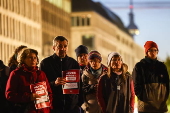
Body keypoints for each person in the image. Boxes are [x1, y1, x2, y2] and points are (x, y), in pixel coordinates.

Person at [40, 36, 81, 113]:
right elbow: (41, 86)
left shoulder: (73, 63)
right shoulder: (45, 63)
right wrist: (54, 83)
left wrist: (78, 103)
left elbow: (80, 85)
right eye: (59, 46)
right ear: (53, 48)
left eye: (65, 46)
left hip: (72, 108)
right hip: (54, 107)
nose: (62, 49)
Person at [5, 48, 52, 113]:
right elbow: (9, 94)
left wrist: (48, 108)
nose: (33, 60)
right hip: (25, 110)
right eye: (30, 57)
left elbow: (49, 93)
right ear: (23, 59)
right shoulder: (16, 73)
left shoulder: (41, 74)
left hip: (42, 110)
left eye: (35, 58)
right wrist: (29, 97)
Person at [132, 41, 169, 113]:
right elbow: (135, 85)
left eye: (155, 50)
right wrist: (146, 98)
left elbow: (167, 85)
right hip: (145, 107)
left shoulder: (162, 66)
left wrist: (163, 99)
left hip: (160, 107)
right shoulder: (139, 66)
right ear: (146, 52)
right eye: (151, 50)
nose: (153, 52)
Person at [75, 45, 89, 113]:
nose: (83, 57)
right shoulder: (74, 70)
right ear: (77, 58)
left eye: (85, 55)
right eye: (80, 56)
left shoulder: (92, 69)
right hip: (78, 103)